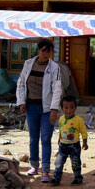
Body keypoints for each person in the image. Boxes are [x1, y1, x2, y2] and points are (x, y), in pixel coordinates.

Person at [15, 39, 63, 181]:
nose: (46, 54)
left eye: (49, 51)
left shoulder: (54, 67)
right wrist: (22, 101)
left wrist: (54, 109)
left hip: (47, 108)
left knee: (46, 139)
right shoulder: (28, 64)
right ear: (38, 50)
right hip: (31, 107)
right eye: (43, 50)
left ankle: (45, 170)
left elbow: (57, 89)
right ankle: (34, 166)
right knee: (33, 138)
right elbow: (21, 83)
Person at [49, 95, 88, 186]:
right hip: (63, 145)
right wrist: (59, 138)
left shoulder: (79, 120)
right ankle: (56, 179)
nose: (69, 110)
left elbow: (83, 131)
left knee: (75, 163)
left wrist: (85, 142)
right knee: (58, 162)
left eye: (71, 107)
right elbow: (61, 129)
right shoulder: (61, 119)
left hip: (74, 146)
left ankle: (78, 178)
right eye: (66, 108)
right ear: (62, 108)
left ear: (75, 108)